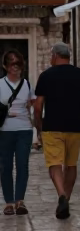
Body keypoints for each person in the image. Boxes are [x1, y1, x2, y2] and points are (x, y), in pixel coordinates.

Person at [33, 42, 80, 220]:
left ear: (55, 56)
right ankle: (66, 198)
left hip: (52, 127)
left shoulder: (45, 76)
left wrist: (39, 126)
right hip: (74, 127)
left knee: (54, 164)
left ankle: (61, 195)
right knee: (71, 165)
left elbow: (38, 106)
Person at [0, 50, 35, 216]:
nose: (16, 67)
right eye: (12, 64)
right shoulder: (0, 84)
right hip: (4, 131)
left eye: (18, 64)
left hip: (24, 130)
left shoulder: (27, 84)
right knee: (5, 166)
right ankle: (9, 202)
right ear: (5, 66)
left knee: (22, 164)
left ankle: (20, 200)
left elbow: (31, 105)